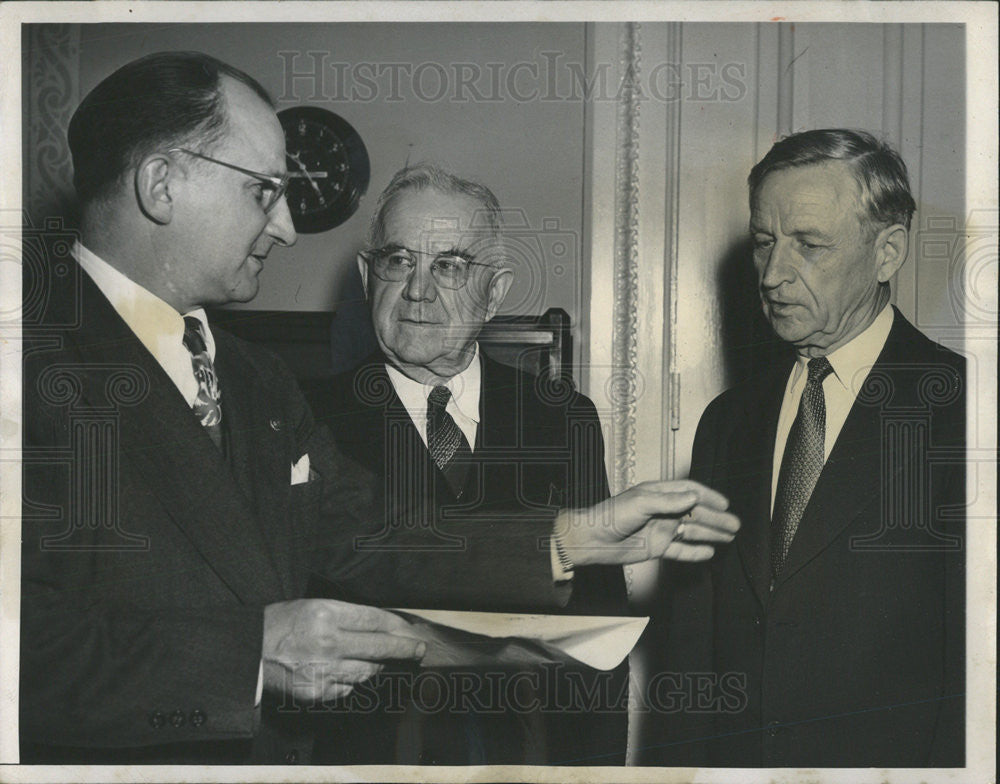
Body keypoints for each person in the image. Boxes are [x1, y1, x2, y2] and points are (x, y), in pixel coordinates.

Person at [19, 51, 429, 765]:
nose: (287, 230)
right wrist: (248, 660)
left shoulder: (258, 377)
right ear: (162, 184)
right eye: (264, 191)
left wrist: (568, 540)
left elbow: (378, 536)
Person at [311, 164, 739, 765]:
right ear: (366, 273)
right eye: (399, 260)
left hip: (528, 756)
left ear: (497, 291)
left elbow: (598, 636)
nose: (418, 290)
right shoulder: (304, 420)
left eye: (451, 266)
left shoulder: (560, 419)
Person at [645, 129, 965, 767]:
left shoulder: (965, 412)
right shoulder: (727, 422)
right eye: (764, 242)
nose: (773, 274)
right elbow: (691, 651)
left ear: (888, 252)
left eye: (810, 245)